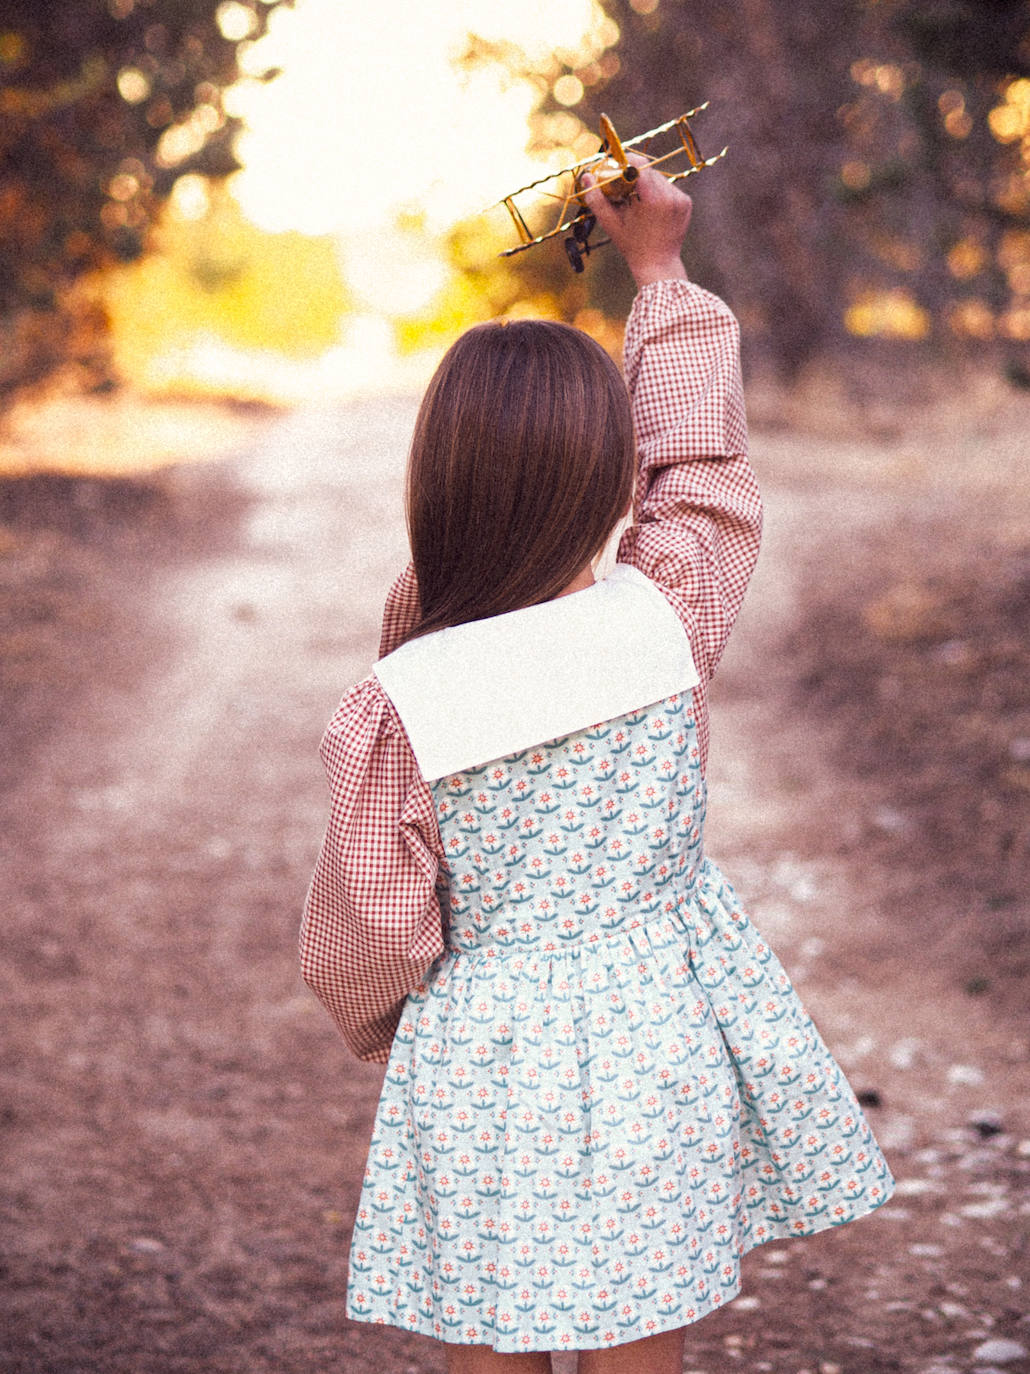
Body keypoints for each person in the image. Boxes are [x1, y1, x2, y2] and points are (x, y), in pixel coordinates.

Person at [300, 159, 894, 1374]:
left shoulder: (400, 702)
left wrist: (390, 1027)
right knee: (639, 1335)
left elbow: (370, 933)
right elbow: (708, 477)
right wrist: (659, 271)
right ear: (613, 476)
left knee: (491, 1336)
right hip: (651, 1039)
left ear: (439, 480)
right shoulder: (667, 613)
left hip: (482, 1052)